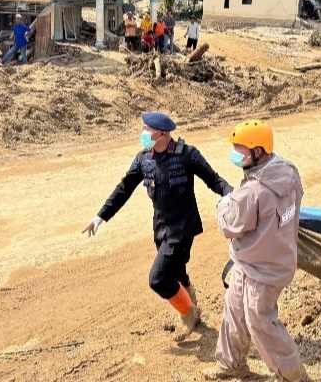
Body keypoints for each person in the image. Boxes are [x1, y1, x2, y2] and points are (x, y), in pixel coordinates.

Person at [83, 112, 233, 341]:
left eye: (147, 129)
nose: (143, 133)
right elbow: (124, 188)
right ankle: (191, 303)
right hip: (160, 227)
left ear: (162, 133)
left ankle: (188, 314)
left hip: (182, 227)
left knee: (159, 279)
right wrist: (100, 216)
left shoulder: (187, 154)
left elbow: (214, 179)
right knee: (176, 271)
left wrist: (233, 195)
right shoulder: (144, 158)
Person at [204, 120, 306, 382]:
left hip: (263, 270)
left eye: (240, 149)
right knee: (234, 311)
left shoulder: (253, 192)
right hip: (268, 259)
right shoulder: (288, 172)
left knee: (260, 322)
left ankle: (294, 377)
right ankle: (230, 364)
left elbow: (229, 225)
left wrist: (223, 204)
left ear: (258, 151)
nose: (235, 154)